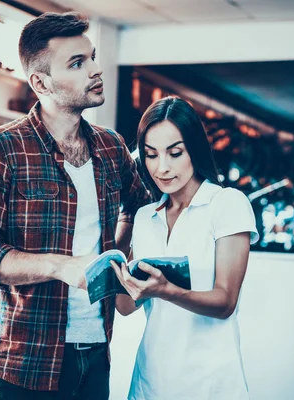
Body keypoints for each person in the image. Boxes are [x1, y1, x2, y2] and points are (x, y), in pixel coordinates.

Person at [0, 12, 150, 400]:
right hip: (23, 361)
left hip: (96, 352)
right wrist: (60, 267)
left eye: (92, 57)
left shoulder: (112, 148)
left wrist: (118, 257)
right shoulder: (0, 149)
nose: (96, 70)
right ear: (40, 82)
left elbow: (142, 210)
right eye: (78, 63)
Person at [111, 96, 259, 399]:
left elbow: (225, 301)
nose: (162, 168)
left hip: (209, 384)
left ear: (194, 149)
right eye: (151, 155)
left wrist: (166, 290)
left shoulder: (226, 204)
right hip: (150, 382)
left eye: (174, 153)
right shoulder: (145, 217)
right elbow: (125, 307)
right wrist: (117, 258)